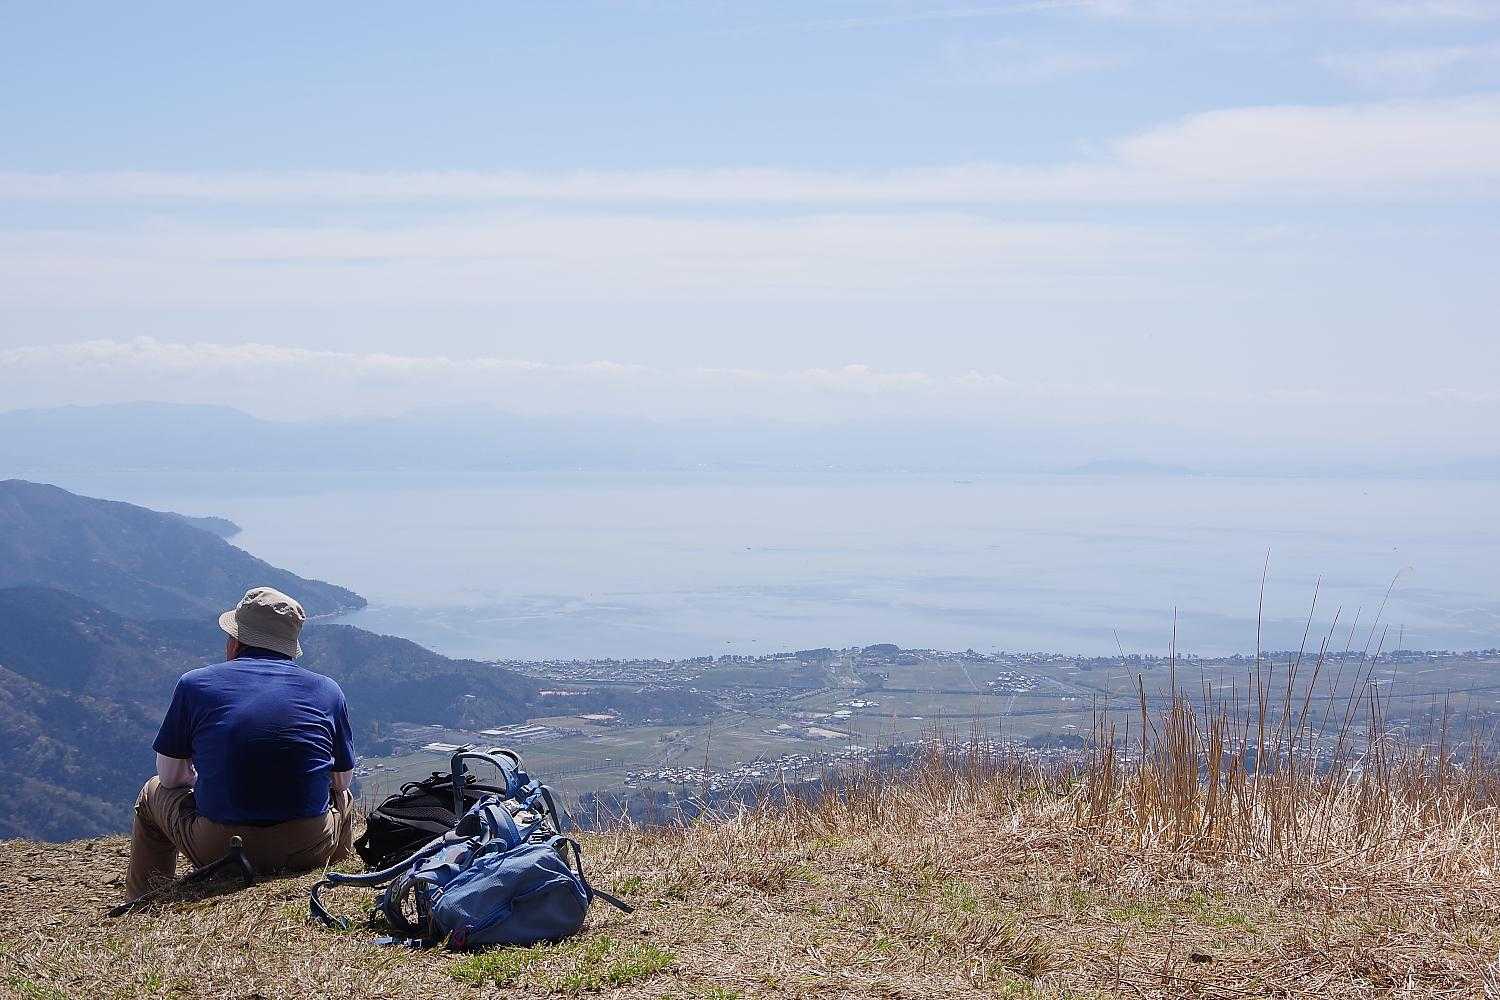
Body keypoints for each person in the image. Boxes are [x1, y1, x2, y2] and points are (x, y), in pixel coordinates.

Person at [124, 586, 356, 900]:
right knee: (343, 798)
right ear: (290, 646)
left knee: (152, 792)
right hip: (308, 845)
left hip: (221, 848)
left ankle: (146, 900)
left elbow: (170, 777)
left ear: (235, 642)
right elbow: (341, 781)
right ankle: (335, 885)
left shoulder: (194, 685)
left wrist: (209, 778)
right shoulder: (328, 691)